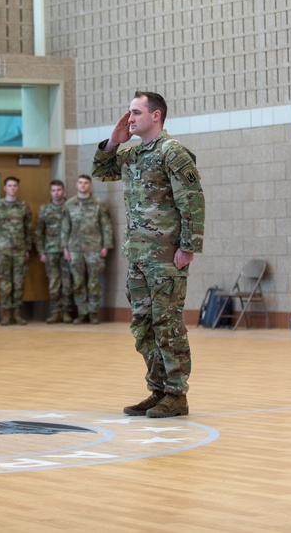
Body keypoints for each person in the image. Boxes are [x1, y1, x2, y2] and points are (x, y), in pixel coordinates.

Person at [93, 91, 205, 418]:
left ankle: (176, 394)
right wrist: (114, 141)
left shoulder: (173, 152)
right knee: (143, 325)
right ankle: (157, 391)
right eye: (129, 113)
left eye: (136, 113)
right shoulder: (133, 154)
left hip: (166, 256)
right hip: (138, 255)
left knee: (167, 322)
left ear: (156, 116)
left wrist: (188, 247)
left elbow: (192, 201)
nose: (130, 118)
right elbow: (102, 172)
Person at [62, 174, 113, 324]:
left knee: (93, 282)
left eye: (86, 183)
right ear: (77, 185)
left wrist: (106, 246)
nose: (83, 185)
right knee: (78, 282)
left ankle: (93, 313)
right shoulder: (69, 204)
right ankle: (82, 312)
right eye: (80, 182)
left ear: (90, 185)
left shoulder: (99, 204)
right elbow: (65, 227)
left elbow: (106, 226)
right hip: (75, 248)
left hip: (94, 248)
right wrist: (65, 247)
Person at [0, 176, 32, 326]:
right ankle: (5, 315)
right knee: (5, 285)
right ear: (5, 188)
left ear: (17, 188)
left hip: (20, 251)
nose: (12, 188)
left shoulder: (24, 206)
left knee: (19, 284)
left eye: (15, 186)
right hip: (2, 251)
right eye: (9, 186)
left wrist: (27, 248)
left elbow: (28, 229)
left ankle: (17, 314)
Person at [35, 179, 73, 324]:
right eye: (53, 190)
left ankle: (67, 312)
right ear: (50, 192)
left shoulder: (70, 206)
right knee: (54, 283)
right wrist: (41, 251)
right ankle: (56, 311)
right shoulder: (44, 209)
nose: (56, 193)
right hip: (50, 250)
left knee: (67, 282)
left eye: (58, 190)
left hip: (68, 250)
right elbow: (39, 232)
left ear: (63, 191)